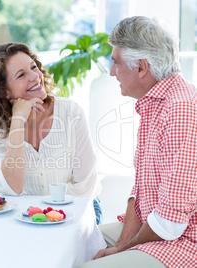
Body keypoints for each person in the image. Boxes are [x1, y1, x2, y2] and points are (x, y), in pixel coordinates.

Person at [78, 16, 197, 268]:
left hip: (184, 241)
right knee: (79, 242)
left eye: (116, 62)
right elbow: (140, 189)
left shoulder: (180, 109)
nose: (111, 72)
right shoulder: (154, 103)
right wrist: (122, 244)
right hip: (156, 228)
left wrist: (122, 249)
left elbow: (170, 222)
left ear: (141, 68)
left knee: (90, 266)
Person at [0, 42, 103, 224]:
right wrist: (18, 120)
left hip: (79, 208)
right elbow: (11, 189)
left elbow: (86, 186)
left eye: (34, 67)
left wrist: (46, 210)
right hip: (28, 217)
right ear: (5, 92)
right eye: (21, 75)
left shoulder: (71, 112)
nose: (35, 76)